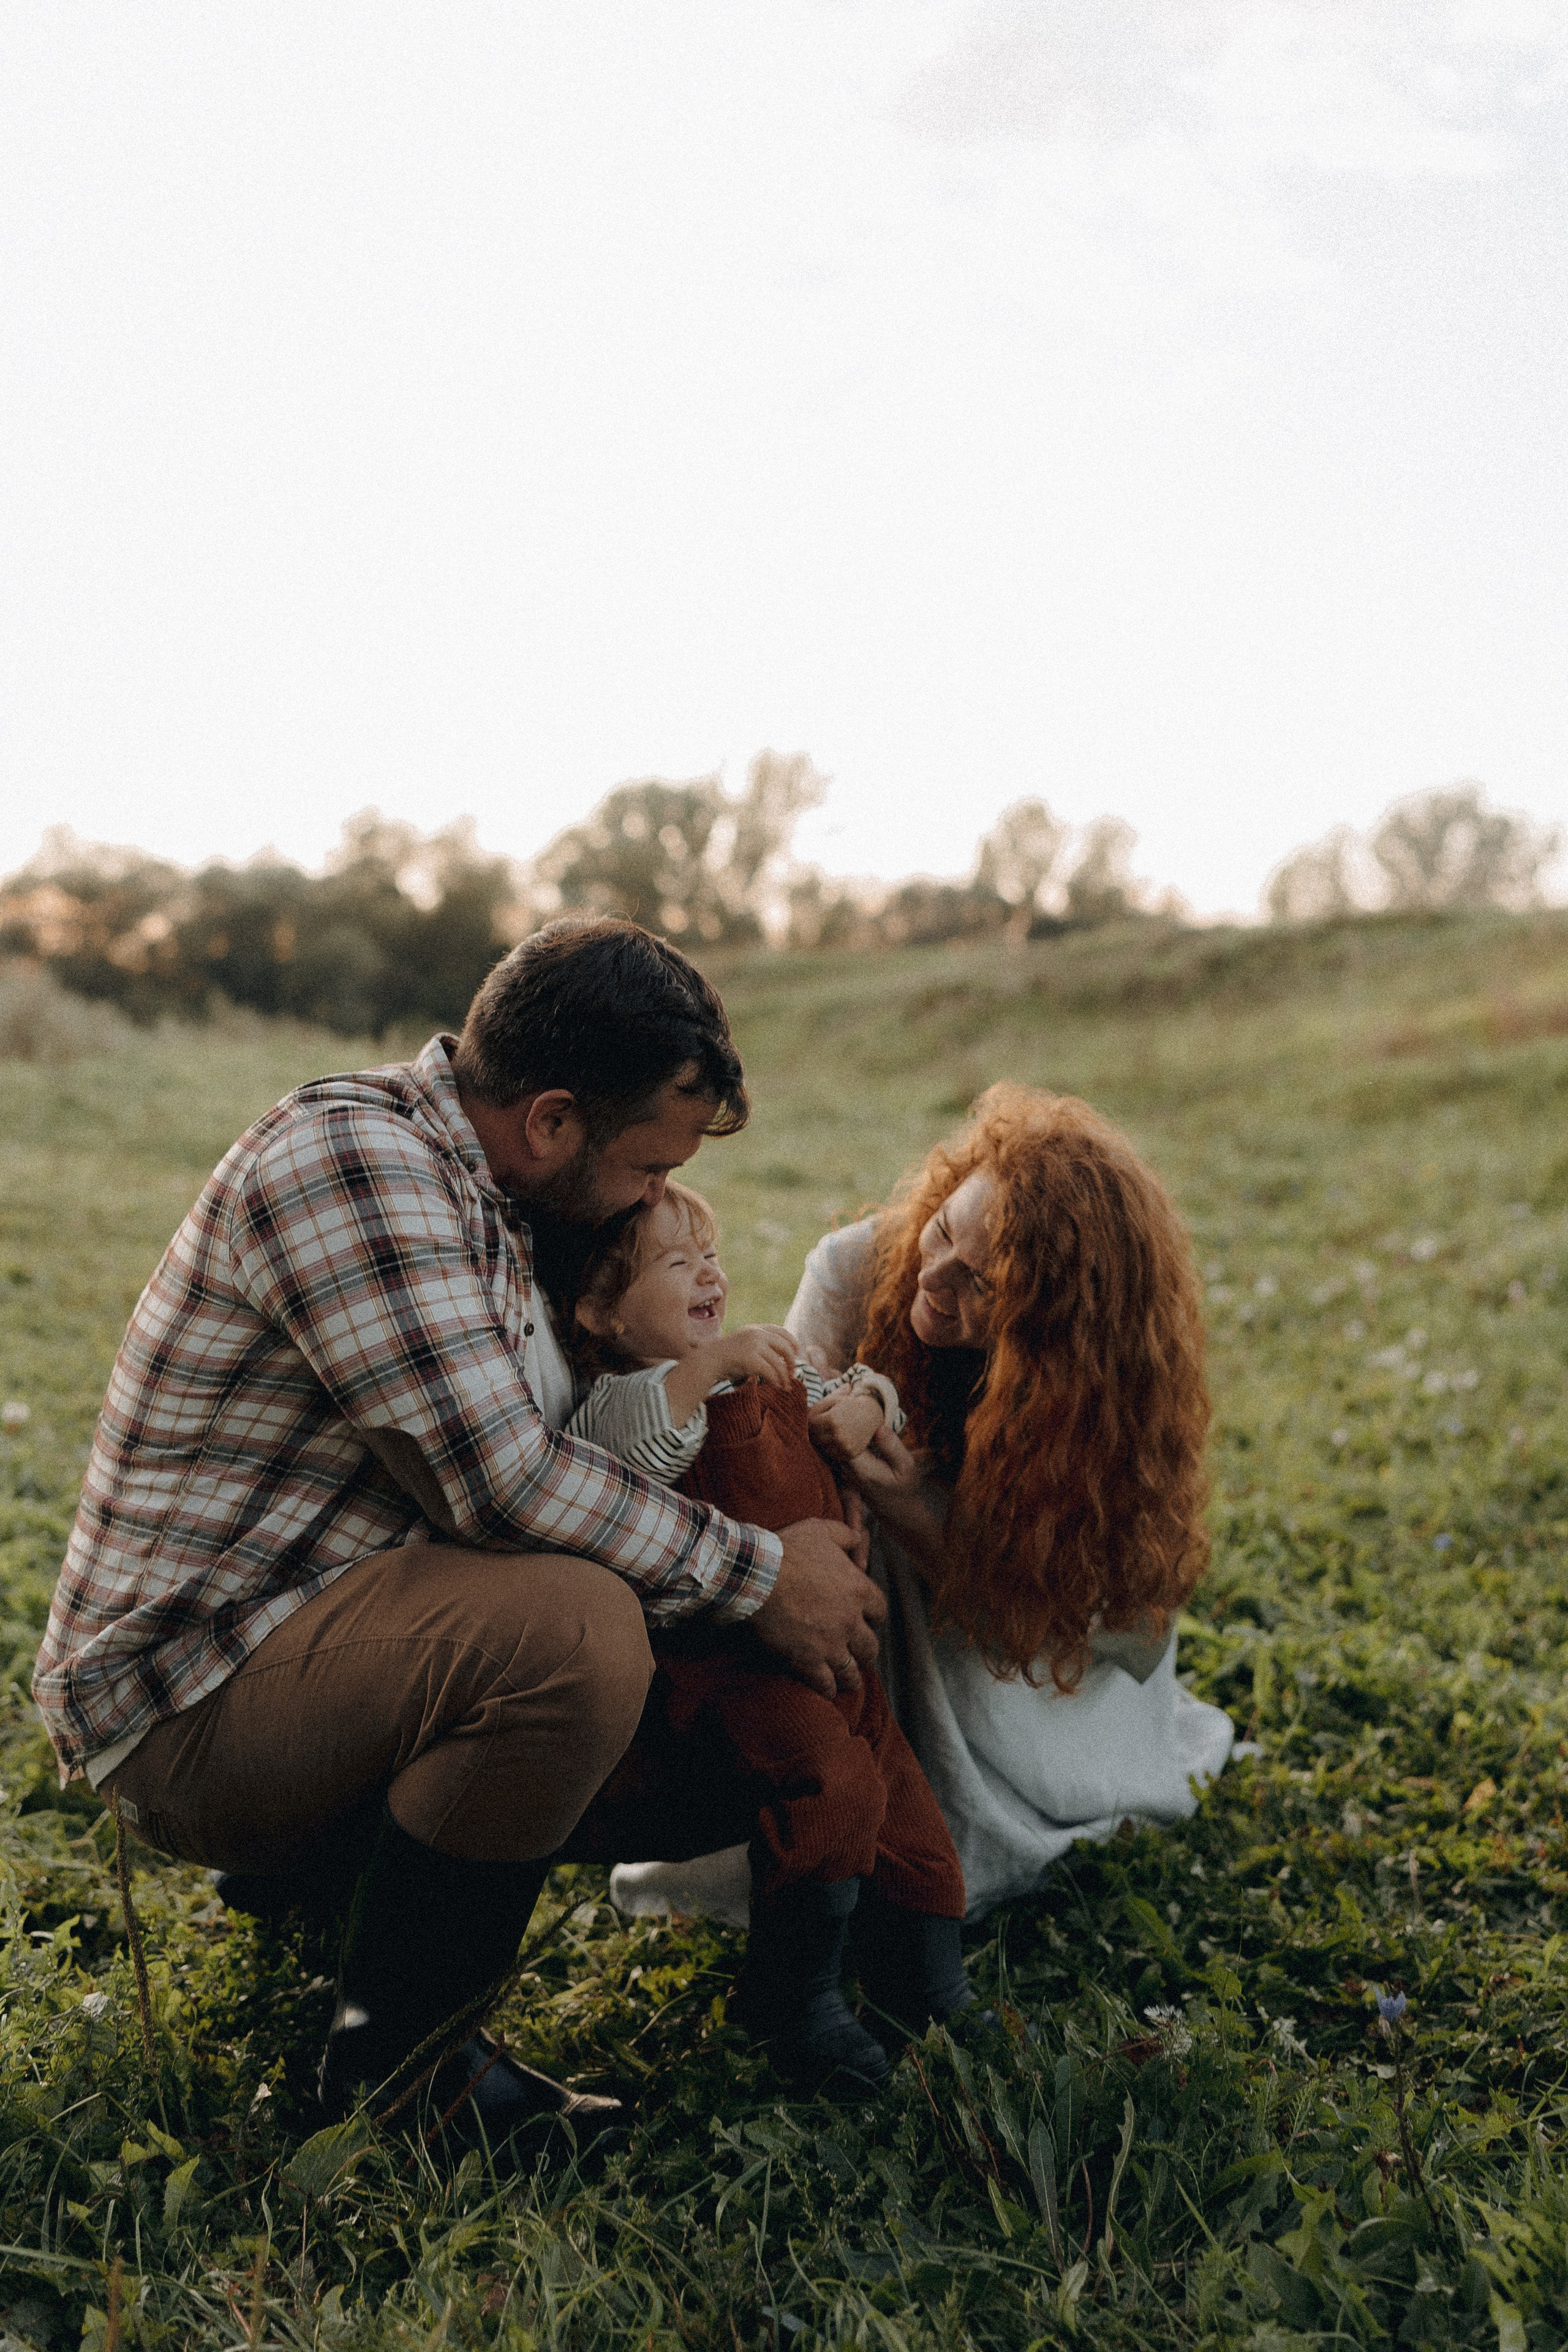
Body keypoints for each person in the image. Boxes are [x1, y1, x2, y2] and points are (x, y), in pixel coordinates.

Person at [31, 916, 884, 2152]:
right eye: (649, 1169)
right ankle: (402, 2081)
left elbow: (587, 1433)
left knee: (709, 1724)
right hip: (192, 1691)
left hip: (335, 1624)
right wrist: (757, 1575)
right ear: (549, 1120)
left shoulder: (494, 1190)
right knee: (573, 1635)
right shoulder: (352, 1159)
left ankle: (333, 1898)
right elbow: (499, 1483)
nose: (657, 1198)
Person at [614, 1082, 1233, 1928]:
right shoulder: (857, 1266)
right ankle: (829, 1789)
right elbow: (786, 1461)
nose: (935, 1280)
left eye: (985, 1285)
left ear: (1052, 1321)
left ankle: (927, 1812)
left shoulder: (1101, 1389)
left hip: (1016, 1624)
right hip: (864, 1572)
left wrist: (909, 1499)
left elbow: (1098, 1620)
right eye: (943, 1231)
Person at [559, 1183, 971, 2090]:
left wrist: (865, 1405)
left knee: (905, 1810)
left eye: (711, 1255)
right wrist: (713, 1369)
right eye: (678, 1265)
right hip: (727, 1669)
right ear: (601, 1313)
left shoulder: (761, 1366)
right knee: (825, 1786)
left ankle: (927, 1983)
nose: (710, 1274)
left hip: (839, 1668)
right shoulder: (616, 1403)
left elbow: (855, 1387)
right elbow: (638, 1449)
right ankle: (794, 1997)